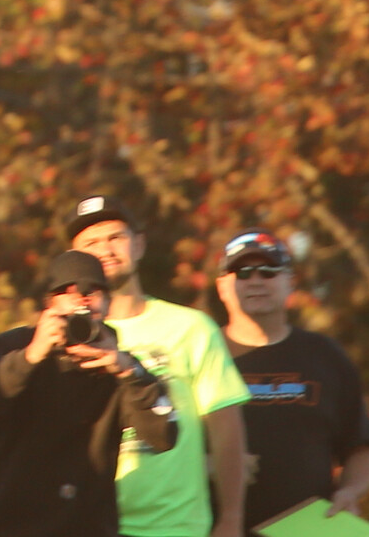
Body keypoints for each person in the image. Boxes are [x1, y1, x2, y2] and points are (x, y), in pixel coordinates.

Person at [0, 249, 181, 537]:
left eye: (93, 291)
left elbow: (164, 434)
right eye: (67, 291)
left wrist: (129, 372)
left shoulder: (120, 365)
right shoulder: (15, 346)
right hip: (12, 524)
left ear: (107, 305)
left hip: (86, 525)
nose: (82, 298)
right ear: (49, 304)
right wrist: (31, 356)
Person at [68, 197, 250, 537]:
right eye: (91, 243)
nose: (105, 250)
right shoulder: (63, 339)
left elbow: (226, 432)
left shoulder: (192, 328)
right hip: (87, 525)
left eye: (115, 237)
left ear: (139, 244)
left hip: (175, 527)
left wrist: (231, 520)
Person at [210, 231, 369, 531]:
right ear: (222, 286)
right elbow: (164, 448)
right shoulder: (200, 353)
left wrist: (350, 491)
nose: (256, 281)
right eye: (243, 273)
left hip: (307, 529)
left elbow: (361, 448)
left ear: (290, 282)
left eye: (269, 271)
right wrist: (211, 464)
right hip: (215, 527)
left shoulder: (326, 356)